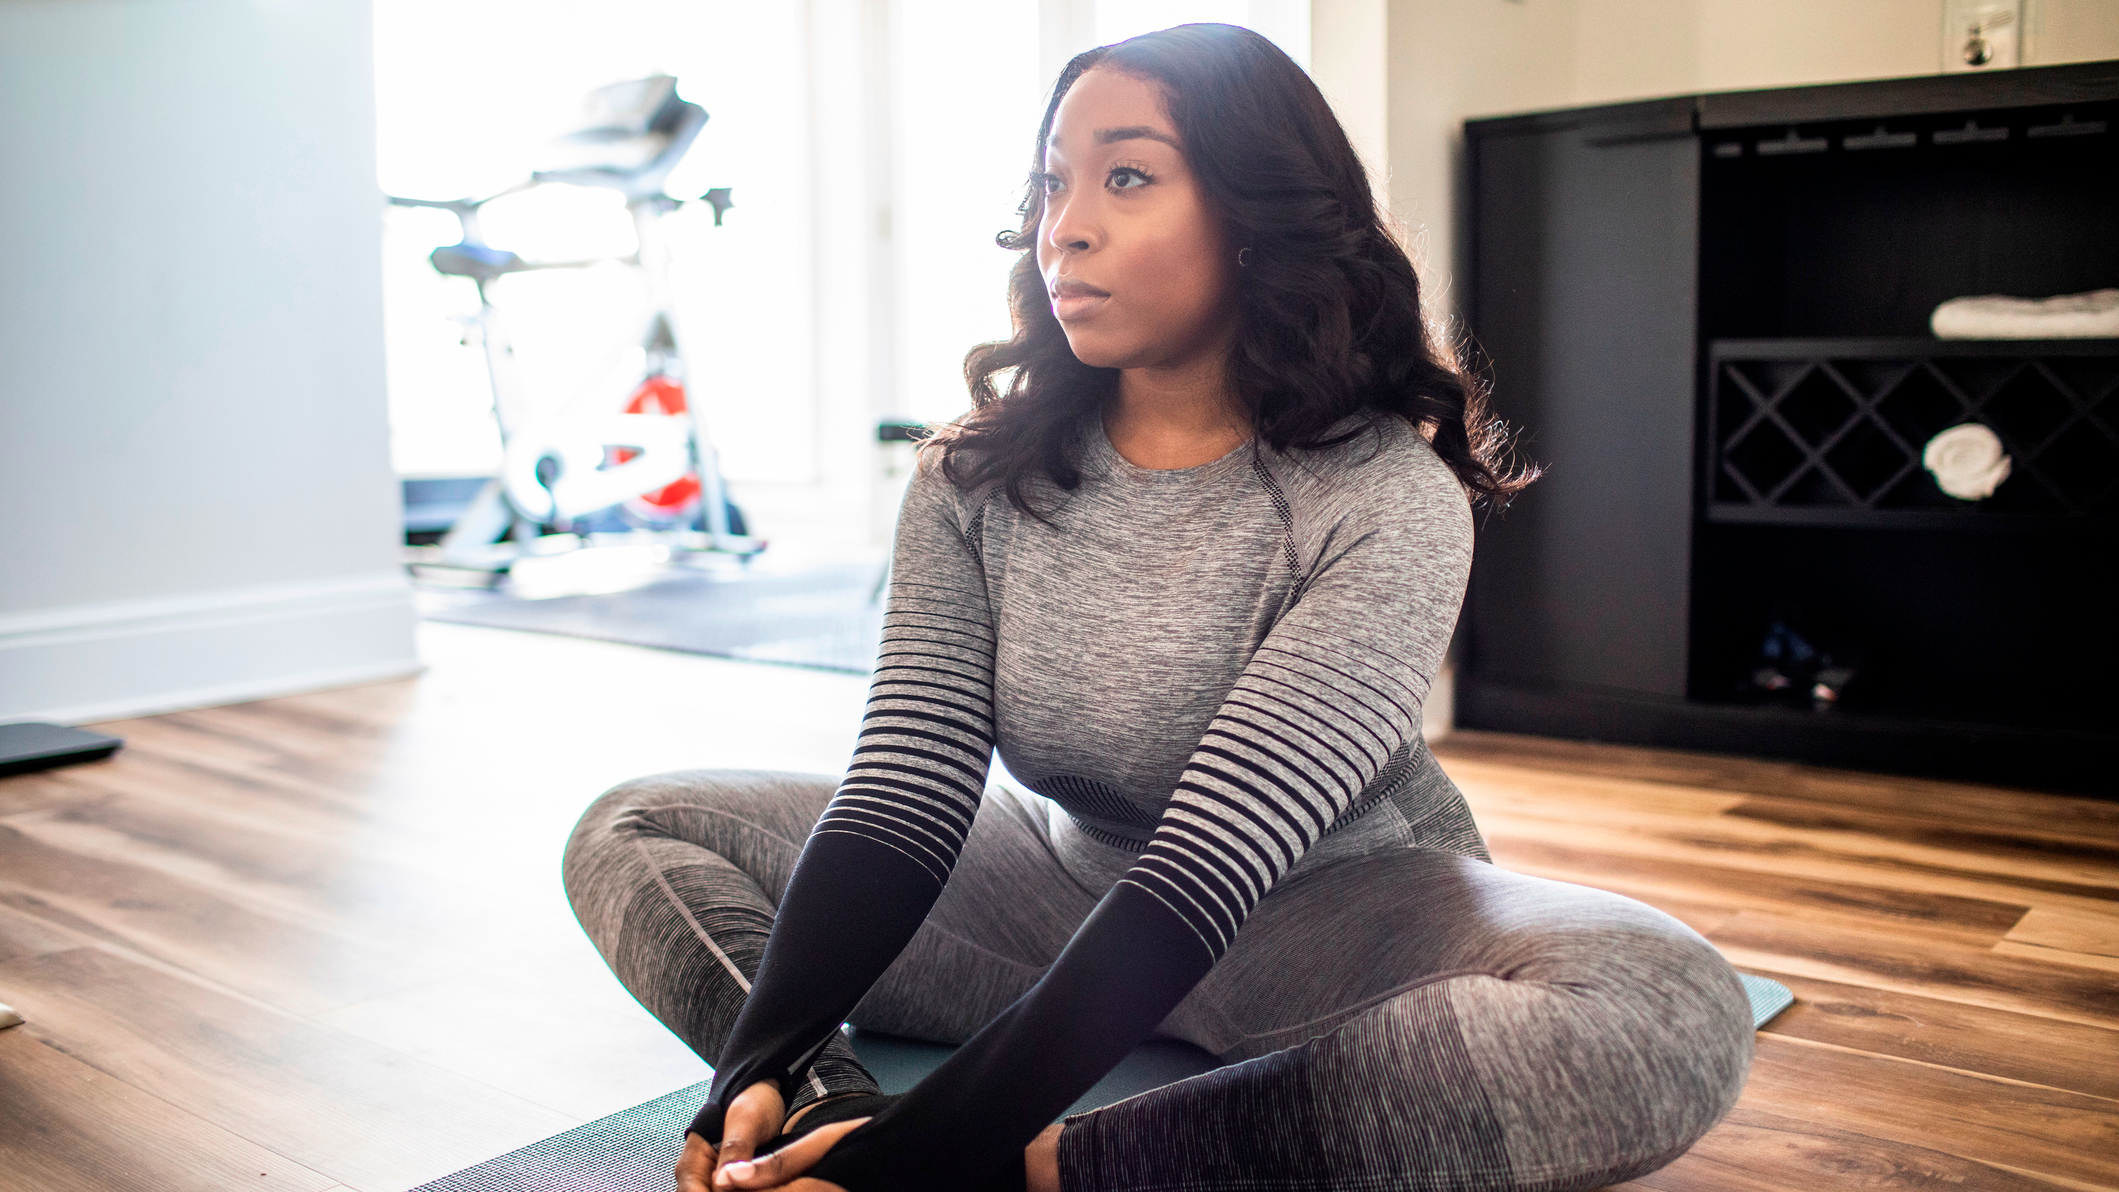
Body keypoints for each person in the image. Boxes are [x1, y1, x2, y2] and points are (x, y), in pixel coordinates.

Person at [563, 23, 1752, 1192]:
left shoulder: (1387, 495)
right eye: (1050, 183)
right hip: (1058, 884)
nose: (1062, 227)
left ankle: (1076, 1159)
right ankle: (819, 1111)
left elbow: (1209, 859)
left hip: (1338, 919)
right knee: (634, 828)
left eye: (1126, 177)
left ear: (1257, 218)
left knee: (1661, 1008)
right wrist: (762, 1065)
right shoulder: (971, 475)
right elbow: (906, 790)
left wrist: (935, 1158)